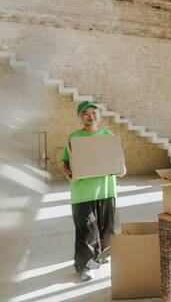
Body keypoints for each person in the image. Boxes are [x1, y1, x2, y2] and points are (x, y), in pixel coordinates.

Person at [61, 101, 125, 281]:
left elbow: (117, 158)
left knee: (107, 229)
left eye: (94, 112)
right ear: (80, 117)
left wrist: (122, 167)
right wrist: (68, 172)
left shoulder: (108, 135)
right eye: (85, 113)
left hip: (106, 191)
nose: (91, 117)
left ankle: (101, 257)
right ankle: (85, 266)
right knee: (87, 231)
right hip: (83, 193)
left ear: (99, 115)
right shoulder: (74, 137)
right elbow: (66, 161)